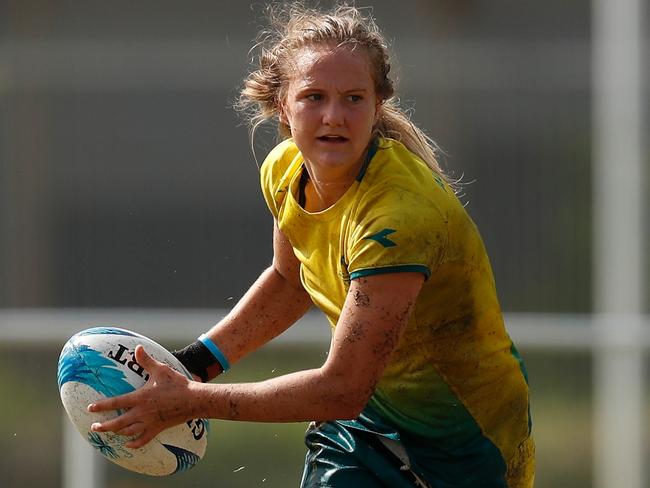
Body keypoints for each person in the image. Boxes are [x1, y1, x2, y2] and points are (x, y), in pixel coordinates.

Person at [88, 3, 535, 487]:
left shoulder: (398, 218)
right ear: (283, 105)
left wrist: (191, 401)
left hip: (466, 446)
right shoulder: (284, 170)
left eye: (353, 98)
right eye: (314, 96)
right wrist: (193, 365)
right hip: (361, 428)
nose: (334, 116)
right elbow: (290, 278)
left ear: (378, 105)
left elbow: (341, 389)